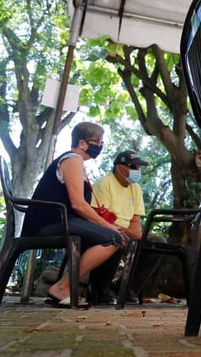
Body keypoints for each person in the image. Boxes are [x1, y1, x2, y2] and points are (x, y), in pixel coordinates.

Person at [22, 122, 124, 308]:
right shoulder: (72, 160)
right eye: (97, 142)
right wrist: (106, 226)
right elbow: (78, 204)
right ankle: (62, 287)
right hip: (48, 223)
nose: (100, 147)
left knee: (117, 239)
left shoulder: (77, 163)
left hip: (62, 220)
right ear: (83, 143)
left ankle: (98, 293)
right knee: (112, 238)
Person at [88, 150, 162, 305]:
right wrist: (125, 231)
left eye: (138, 167)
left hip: (126, 231)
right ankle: (99, 290)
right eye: (133, 166)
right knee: (116, 237)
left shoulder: (135, 188)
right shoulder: (105, 183)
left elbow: (136, 223)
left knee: (158, 243)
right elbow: (98, 217)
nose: (137, 171)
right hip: (105, 229)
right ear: (119, 167)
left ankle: (126, 287)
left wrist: (131, 232)